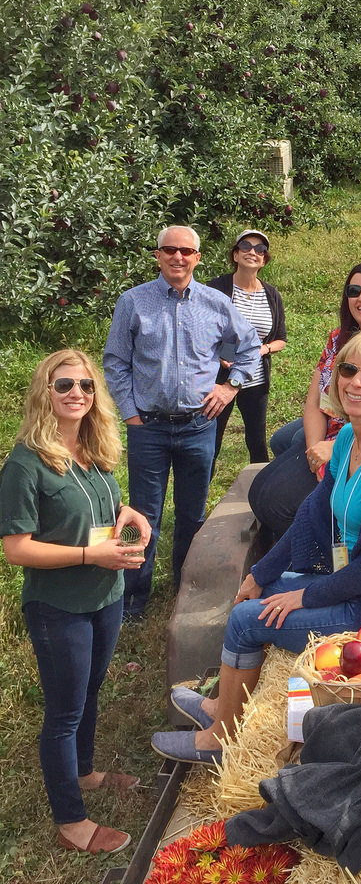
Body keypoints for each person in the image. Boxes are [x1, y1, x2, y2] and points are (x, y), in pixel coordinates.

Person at [153, 331, 361, 765]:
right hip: (347, 582)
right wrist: (259, 573)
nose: (356, 382)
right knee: (255, 594)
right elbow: (312, 515)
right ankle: (221, 708)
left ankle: (219, 740)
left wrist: (302, 595)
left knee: (247, 620)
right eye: (348, 370)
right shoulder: (348, 439)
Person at [0, 350, 151, 854]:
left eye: (86, 386)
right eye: (64, 385)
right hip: (58, 606)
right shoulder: (25, 462)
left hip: (106, 595)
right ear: (45, 391)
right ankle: (71, 823)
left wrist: (130, 513)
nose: (76, 395)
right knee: (63, 712)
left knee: (89, 693)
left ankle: (85, 773)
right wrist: (91, 553)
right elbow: (17, 548)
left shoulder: (91, 448)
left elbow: (100, 502)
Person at [103, 225, 261, 618]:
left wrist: (229, 388)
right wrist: (130, 413)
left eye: (186, 251)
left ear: (198, 257)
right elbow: (116, 361)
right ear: (157, 256)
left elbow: (250, 346)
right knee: (141, 513)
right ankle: (132, 598)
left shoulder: (214, 302)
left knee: (192, 513)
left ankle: (182, 587)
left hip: (198, 426)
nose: (178, 257)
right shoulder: (133, 302)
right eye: (169, 250)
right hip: (148, 427)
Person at [248, 262, 361, 541]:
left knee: (274, 502)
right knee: (266, 478)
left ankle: (327, 554)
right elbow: (315, 402)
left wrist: (334, 449)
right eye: (354, 290)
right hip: (344, 428)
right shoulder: (338, 339)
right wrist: (315, 451)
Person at [207, 229, 287, 469]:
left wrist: (262, 350)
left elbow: (281, 338)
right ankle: (198, 502)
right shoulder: (217, 287)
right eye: (246, 246)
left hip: (256, 379)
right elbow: (203, 328)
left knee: (257, 442)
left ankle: (260, 497)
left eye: (260, 249)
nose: (252, 252)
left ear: (264, 259)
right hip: (220, 379)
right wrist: (225, 354)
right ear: (235, 254)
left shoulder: (272, 294)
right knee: (212, 442)